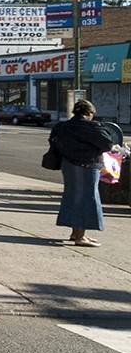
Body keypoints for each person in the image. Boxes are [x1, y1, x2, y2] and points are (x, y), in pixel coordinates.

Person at [50, 99, 115, 247]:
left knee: (72, 195)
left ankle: (75, 233)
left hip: (68, 164)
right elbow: (107, 145)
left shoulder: (62, 126)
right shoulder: (93, 127)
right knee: (87, 198)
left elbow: (53, 141)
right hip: (88, 165)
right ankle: (81, 237)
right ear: (89, 113)